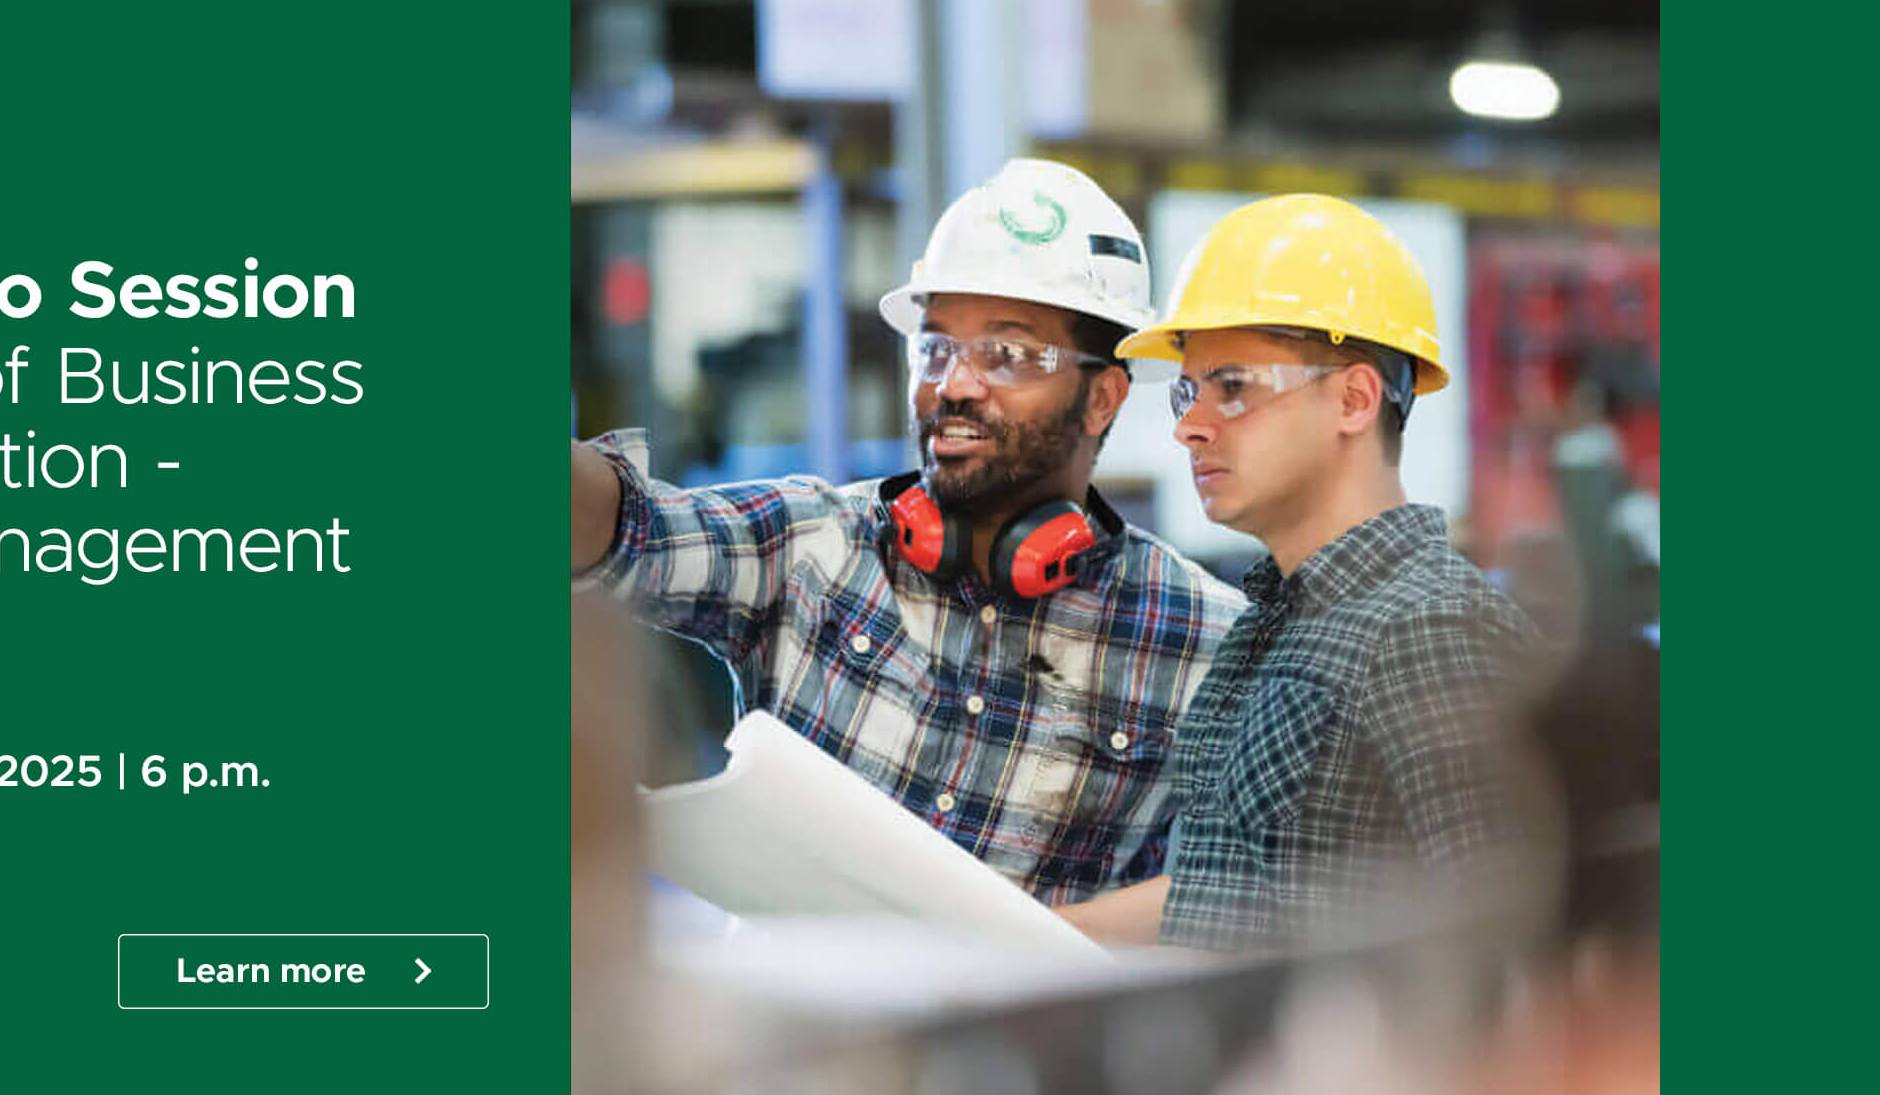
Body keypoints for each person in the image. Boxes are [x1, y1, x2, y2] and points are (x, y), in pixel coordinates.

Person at [569, 159, 1246, 905]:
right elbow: (627, 528)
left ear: (1103, 398)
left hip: (1024, 1022)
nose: (953, 383)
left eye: (1008, 355)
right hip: (797, 1012)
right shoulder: (813, 547)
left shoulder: (1203, 640)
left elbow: (1262, 889)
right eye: (935, 348)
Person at [1053, 194, 1555, 951]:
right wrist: (1011, 938)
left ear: (1353, 399)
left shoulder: (1431, 633)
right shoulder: (1275, 624)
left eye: (1233, 387)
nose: (1190, 424)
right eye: (1189, 391)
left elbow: (1523, 941)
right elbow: (1225, 894)